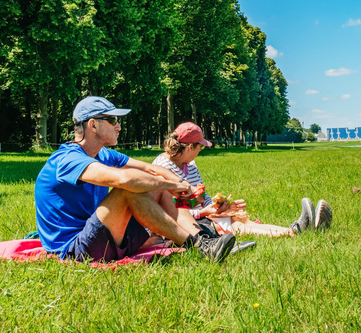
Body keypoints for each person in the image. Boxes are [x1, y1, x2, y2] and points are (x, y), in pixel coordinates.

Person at [34, 97, 237, 263]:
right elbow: (124, 179)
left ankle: (203, 239)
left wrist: (183, 186)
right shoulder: (66, 160)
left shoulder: (103, 154)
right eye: (113, 120)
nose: (118, 126)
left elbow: (151, 168)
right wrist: (173, 185)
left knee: (156, 182)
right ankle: (198, 246)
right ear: (93, 124)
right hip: (75, 250)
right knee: (128, 190)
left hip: (101, 236)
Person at [152, 122, 333, 238]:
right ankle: (295, 230)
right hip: (179, 224)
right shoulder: (163, 168)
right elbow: (169, 211)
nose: (201, 151)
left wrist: (218, 206)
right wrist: (205, 212)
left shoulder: (190, 164)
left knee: (236, 219)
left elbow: (202, 197)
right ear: (190, 147)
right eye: (200, 147)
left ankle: (296, 229)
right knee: (236, 224)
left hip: (201, 216)